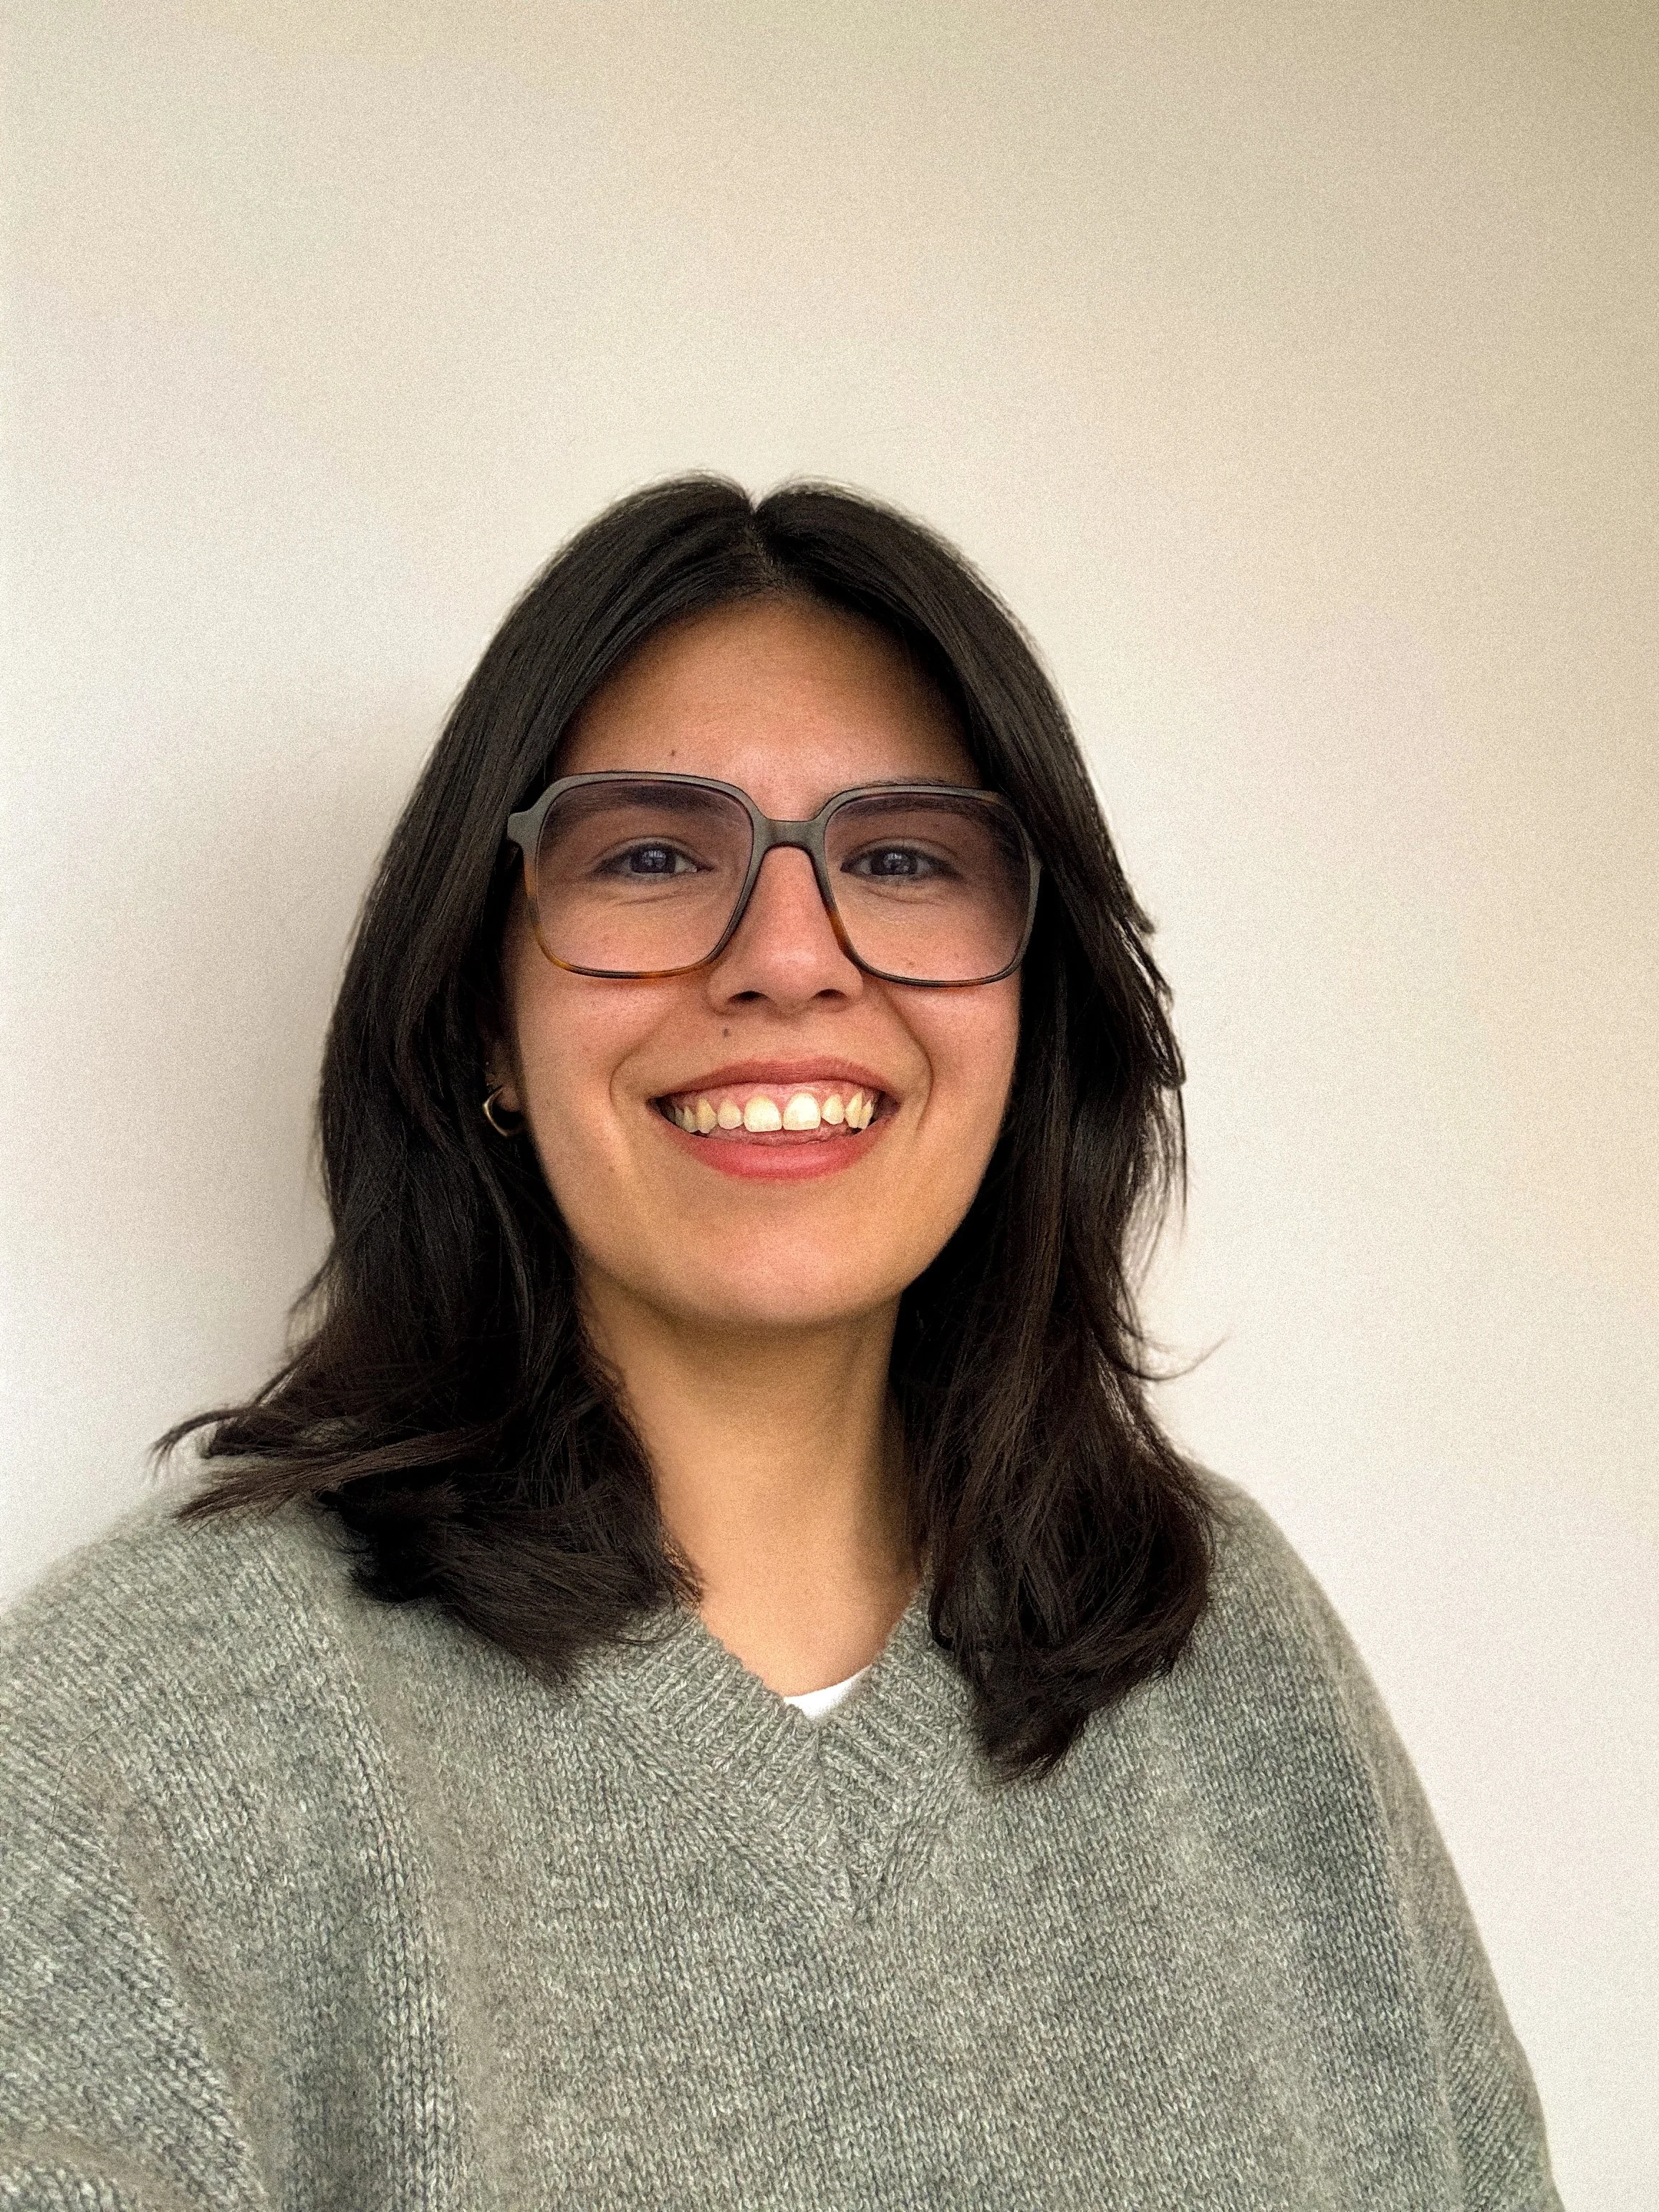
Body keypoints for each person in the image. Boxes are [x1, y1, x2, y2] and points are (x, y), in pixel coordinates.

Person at [0, 479, 1559, 2209]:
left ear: (1030, 1014)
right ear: (484, 1021)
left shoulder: (1232, 1650)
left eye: (902, 858)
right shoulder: (141, 1748)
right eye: (656, 856)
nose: (789, 957)